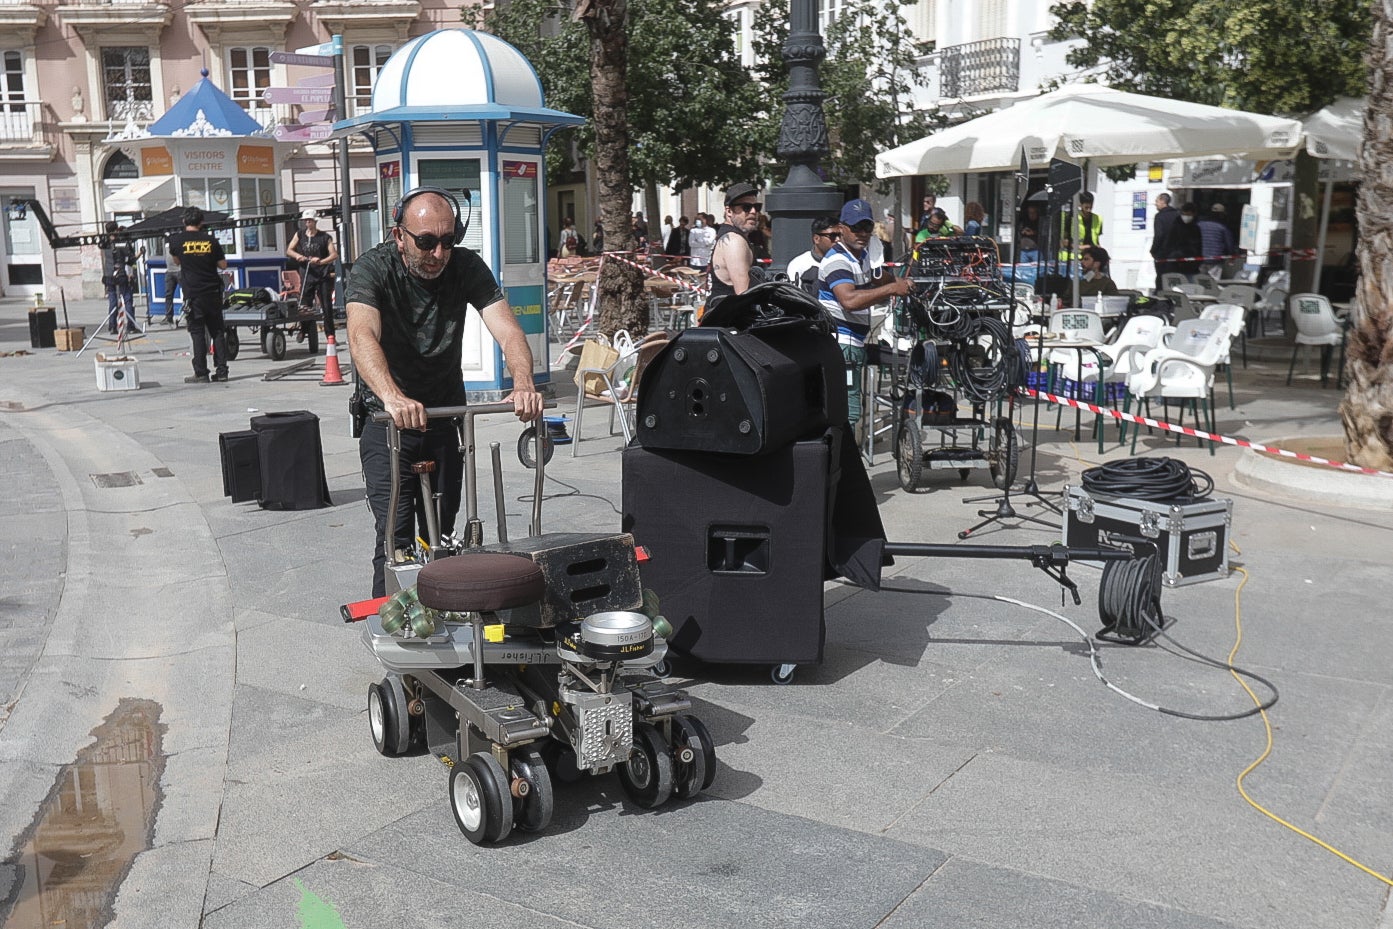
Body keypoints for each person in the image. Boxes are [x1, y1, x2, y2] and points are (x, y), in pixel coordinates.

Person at [346, 188, 544, 597]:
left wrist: (523, 382)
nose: (438, 253)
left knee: (445, 530)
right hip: (388, 420)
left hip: (442, 413)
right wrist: (392, 396)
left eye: (448, 241)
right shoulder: (373, 269)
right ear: (398, 235)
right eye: (426, 242)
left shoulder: (465, 266)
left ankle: (447, 612)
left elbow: (506, 329)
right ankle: (398, 626)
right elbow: (361, 334)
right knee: (394, 538)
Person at [818, 198, 912, 427]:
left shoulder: (861, 256)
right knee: (847, 413)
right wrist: (892, 289)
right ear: (841, 228)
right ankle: (840, 461)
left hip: (852, 344)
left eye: (866, 227)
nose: (862, 233)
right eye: (855, 227)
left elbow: (876, 277)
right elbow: (849, 300)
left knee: (848, 410)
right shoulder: (838, 260)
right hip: (842, 346)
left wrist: (899, 282)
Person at [167, 206, 229, 383]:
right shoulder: (211, 241)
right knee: (217, 330)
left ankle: (201, 372)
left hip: (193, 293)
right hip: (212, 291)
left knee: (197, 332)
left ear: (184, 221)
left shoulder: (176, 241)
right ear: (202, 222)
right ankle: (222, 371)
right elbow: (223, 265)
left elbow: (177, 261)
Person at [706, 183, 767, 308]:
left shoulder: (727, 236)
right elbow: (744, 295)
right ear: (729, 211)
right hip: (728, 322)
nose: (753, 211)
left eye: (757, 206)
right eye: (746, 207)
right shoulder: (734, 241)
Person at [286, 210, 339, 342]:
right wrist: (298, 256)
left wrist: (320, 261)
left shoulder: (324, 237)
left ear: (315, 221)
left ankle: (330, 335)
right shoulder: (300, 235)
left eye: (310, 220)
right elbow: (289, 250)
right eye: (306, 220)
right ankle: (304, 331)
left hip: (322, 276)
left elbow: (334, 255)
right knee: (305, 307)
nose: (307, 222)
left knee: (326, 307)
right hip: (307, 275)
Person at [785, 215, 840, 298]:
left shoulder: (847, 261)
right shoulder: (798, 264)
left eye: (840, 235)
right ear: (816, 239)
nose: (837, 240)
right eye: (832, 236)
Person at [101, 222, 139, 335]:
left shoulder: (105, 243)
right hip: (121, 274)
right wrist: (140, 253)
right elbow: (130, 260)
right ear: (116, 230)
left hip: (108, 274)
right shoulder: (121, 243)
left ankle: (112, 326)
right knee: (127, 299)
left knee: (112, 300)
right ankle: (131, 326)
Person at [1150, 192, 1181, 289]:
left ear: (1163, 202)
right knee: (1175, 278)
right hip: (1177, 253)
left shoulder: (1160, 216)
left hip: (1162, 254)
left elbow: (1159, 235)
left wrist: (1153, 250)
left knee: (1161, 278)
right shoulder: (1177, 215)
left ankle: (1161, 297)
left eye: (1157, 201)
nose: (1155, 203)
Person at [162, 231, 181, 325]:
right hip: (169, 271)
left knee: (187, 293)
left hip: (179, 270)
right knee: (168, 295)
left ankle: (188, 315)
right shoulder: (166, 241)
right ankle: (169, 316)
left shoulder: (179, 239)